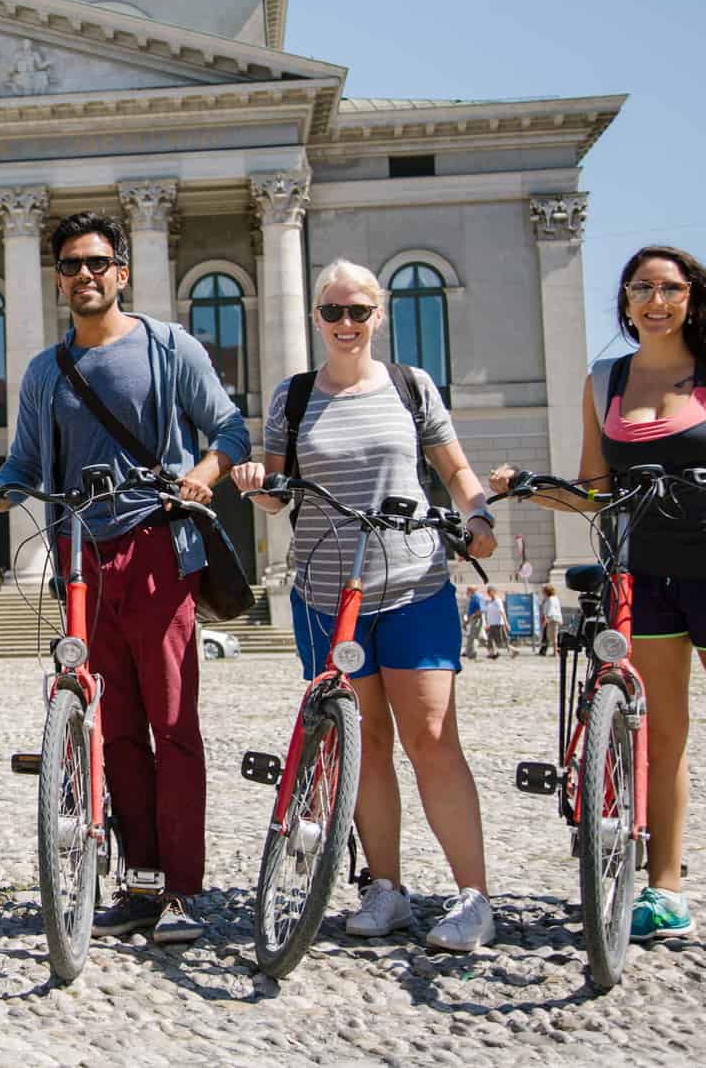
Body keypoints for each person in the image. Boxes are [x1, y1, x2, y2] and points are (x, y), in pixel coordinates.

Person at [491, 245, 706, 962]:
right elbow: (596, 488)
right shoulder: (606, 380)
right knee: (659, 741)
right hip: (644, 575)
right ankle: (664, 890)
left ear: (690, 295)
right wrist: (529, 485)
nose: (654, 299)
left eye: (668, 288)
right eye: (640, 287)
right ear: (626, 300)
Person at [0, 211, 250, 944]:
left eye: (96, 263)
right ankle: (141, 883)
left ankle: (182, 888)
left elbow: (231, 429)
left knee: (173, 720)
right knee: (115, 728)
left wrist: (202, 476)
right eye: (71, 266)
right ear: (58, 279)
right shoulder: (45, 371)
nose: (84, 275)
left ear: (121, 271)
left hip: (157, 546)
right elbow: (24, 464)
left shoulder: (167, 346)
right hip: (79, 556)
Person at [230, 258, 501, 953]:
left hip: (412, 583)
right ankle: (386, 887)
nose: (345, 323)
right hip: (325, 593)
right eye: (333, 312)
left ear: (379, 316)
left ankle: (474, 897)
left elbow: (455, 470)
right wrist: (259, 485)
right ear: (317, 318)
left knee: (432, 737)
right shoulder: (291, 399)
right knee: (364, 745)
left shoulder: (411, 388)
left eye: (358, 311)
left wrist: (479, 515)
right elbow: (277, 492)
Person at [480, 586, 517, 659]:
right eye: (487, 592)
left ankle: (514, 650)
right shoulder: (491, 601)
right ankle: (493, 653)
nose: (488, 593)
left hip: (498, 624)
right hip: (492, 624)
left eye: (489, 591)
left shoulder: (498, 601)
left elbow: (502, 612)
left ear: (493, 592)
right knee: (490, 639)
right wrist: (488, 624)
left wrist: (506, 624)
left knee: (501, 642)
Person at [539, 584, 565, 656]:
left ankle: (555, 652)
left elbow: (550, 610)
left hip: (553, 619)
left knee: (553, 636)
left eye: (543, 591)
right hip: (551, 619)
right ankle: (556, 650)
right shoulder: (549, 599)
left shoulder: (551, 599)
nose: (542, 592)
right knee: (550, 636)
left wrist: (546, 619)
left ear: (547, 591)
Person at [462, 586, 484, 660]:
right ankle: (469, 653)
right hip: (474, 619)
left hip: (476, 619)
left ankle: (471, 654)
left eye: (468, 590)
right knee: (473, 636)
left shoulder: (476, 597)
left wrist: (472, 616)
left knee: (474, 636)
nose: (466, 592)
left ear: (472, 590)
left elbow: (480, 609)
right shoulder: (474, 597)